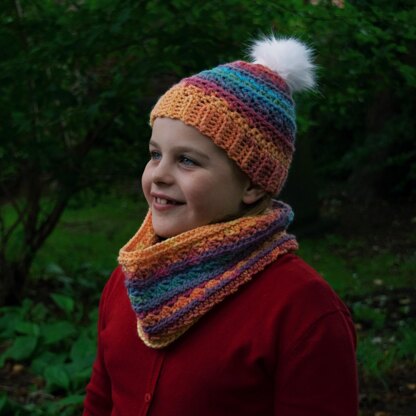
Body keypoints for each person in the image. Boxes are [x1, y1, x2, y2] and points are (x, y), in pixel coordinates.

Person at [83, 35, 358, 416]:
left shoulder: (303, 311)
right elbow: (100, 402)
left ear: (252, 185)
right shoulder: (130, 279)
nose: (158, 175)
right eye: (155, 154)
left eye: (187, 161)